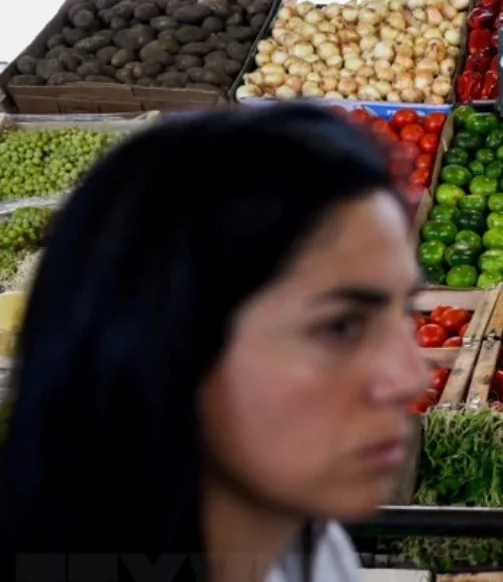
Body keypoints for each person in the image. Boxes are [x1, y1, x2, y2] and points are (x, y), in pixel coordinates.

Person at [0, 104, 428, 582]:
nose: (411, 378)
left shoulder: (303, 545)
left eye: (405, 311)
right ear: (161, 341)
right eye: (341, 327)